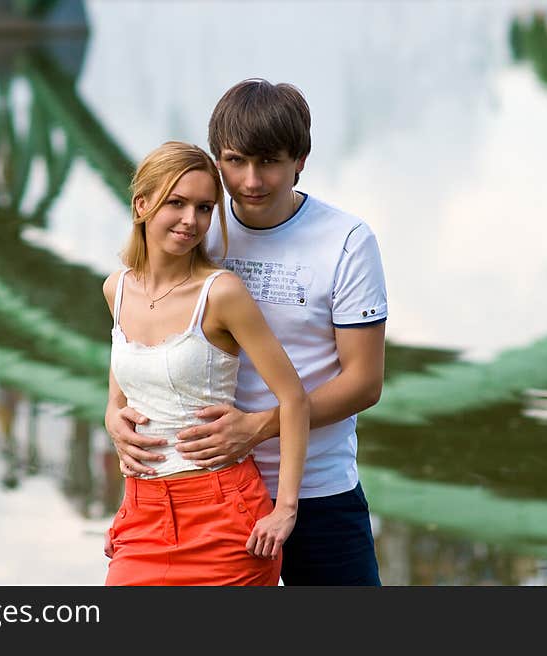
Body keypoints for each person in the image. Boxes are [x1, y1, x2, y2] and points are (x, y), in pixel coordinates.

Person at [106, 80, 388, 586]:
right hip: (205, 492)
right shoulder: (197, 227)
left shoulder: (345, 241)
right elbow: (138, 336)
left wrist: (258, 426)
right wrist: (114, 417)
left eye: (270, 162)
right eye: (235, 162)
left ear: (300, 159)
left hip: (316, 489)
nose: (251, 180)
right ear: (217, 160)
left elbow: (365, 381)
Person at [102, 141, 309, 586]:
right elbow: (124, 393)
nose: (190, 221)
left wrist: (285, 510)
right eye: (176, 203)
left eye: (203, 207)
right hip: (143, 514)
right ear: (142, 204)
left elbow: (294, 398)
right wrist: (111, 421)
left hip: (223, 516)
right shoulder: (115, 289)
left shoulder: (221, 293)